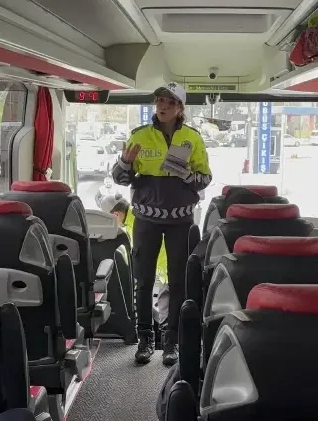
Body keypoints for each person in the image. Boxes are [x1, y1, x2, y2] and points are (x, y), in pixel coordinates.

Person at [111, 81, 212, 367]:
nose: (163, 107)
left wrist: (186, 176)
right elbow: (120, 178)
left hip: (181, 220)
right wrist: (125, 164)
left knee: (179, 281)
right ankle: (144, 339)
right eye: (160, 102)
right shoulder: (139, 136)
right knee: (143, 280)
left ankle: (172, 342)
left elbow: (205, 178)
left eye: (170, 103)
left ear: (180, 108)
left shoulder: (192, 138)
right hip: (145, 219)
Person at [99, 193, 170, 327]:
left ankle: (168, 343)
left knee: (165, 318)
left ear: (115, 215)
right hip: (165, 273)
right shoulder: (137, 218)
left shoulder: (136, 226)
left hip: (167, 275)